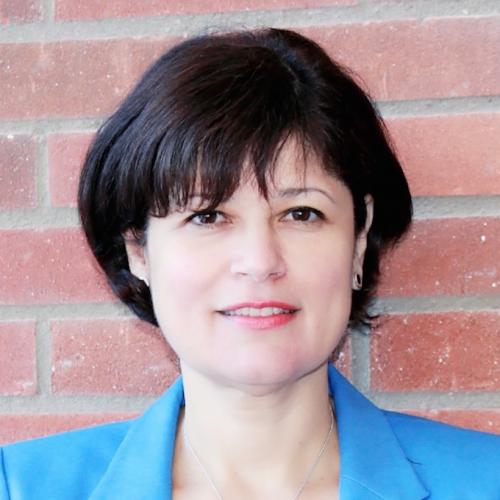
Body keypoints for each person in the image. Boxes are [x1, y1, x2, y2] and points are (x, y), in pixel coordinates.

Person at [1, 28, 499, 500]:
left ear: (358, 238)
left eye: (301, 213)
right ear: (138, 249)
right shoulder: (21, 487)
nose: (260, 262)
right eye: (208, 216)